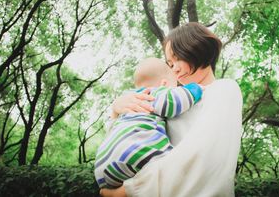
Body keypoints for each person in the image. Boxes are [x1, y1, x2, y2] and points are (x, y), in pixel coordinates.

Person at [101, 22, 243, 197]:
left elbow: (196, 157)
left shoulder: (224, 89)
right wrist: (117, 110)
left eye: (177, 58)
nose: (174, 69)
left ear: (197, 48)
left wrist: (126, 191)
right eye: (169, 63)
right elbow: (126, 140)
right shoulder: (169, 101)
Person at [95, 57, 203, 189]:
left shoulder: (129, 99)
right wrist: (194, 88)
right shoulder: (153, 93)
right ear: (164, 83)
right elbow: (175, 102)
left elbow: (112, 125)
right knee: (175, 166)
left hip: (102, 166)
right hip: (135, 150)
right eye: (174, 85)